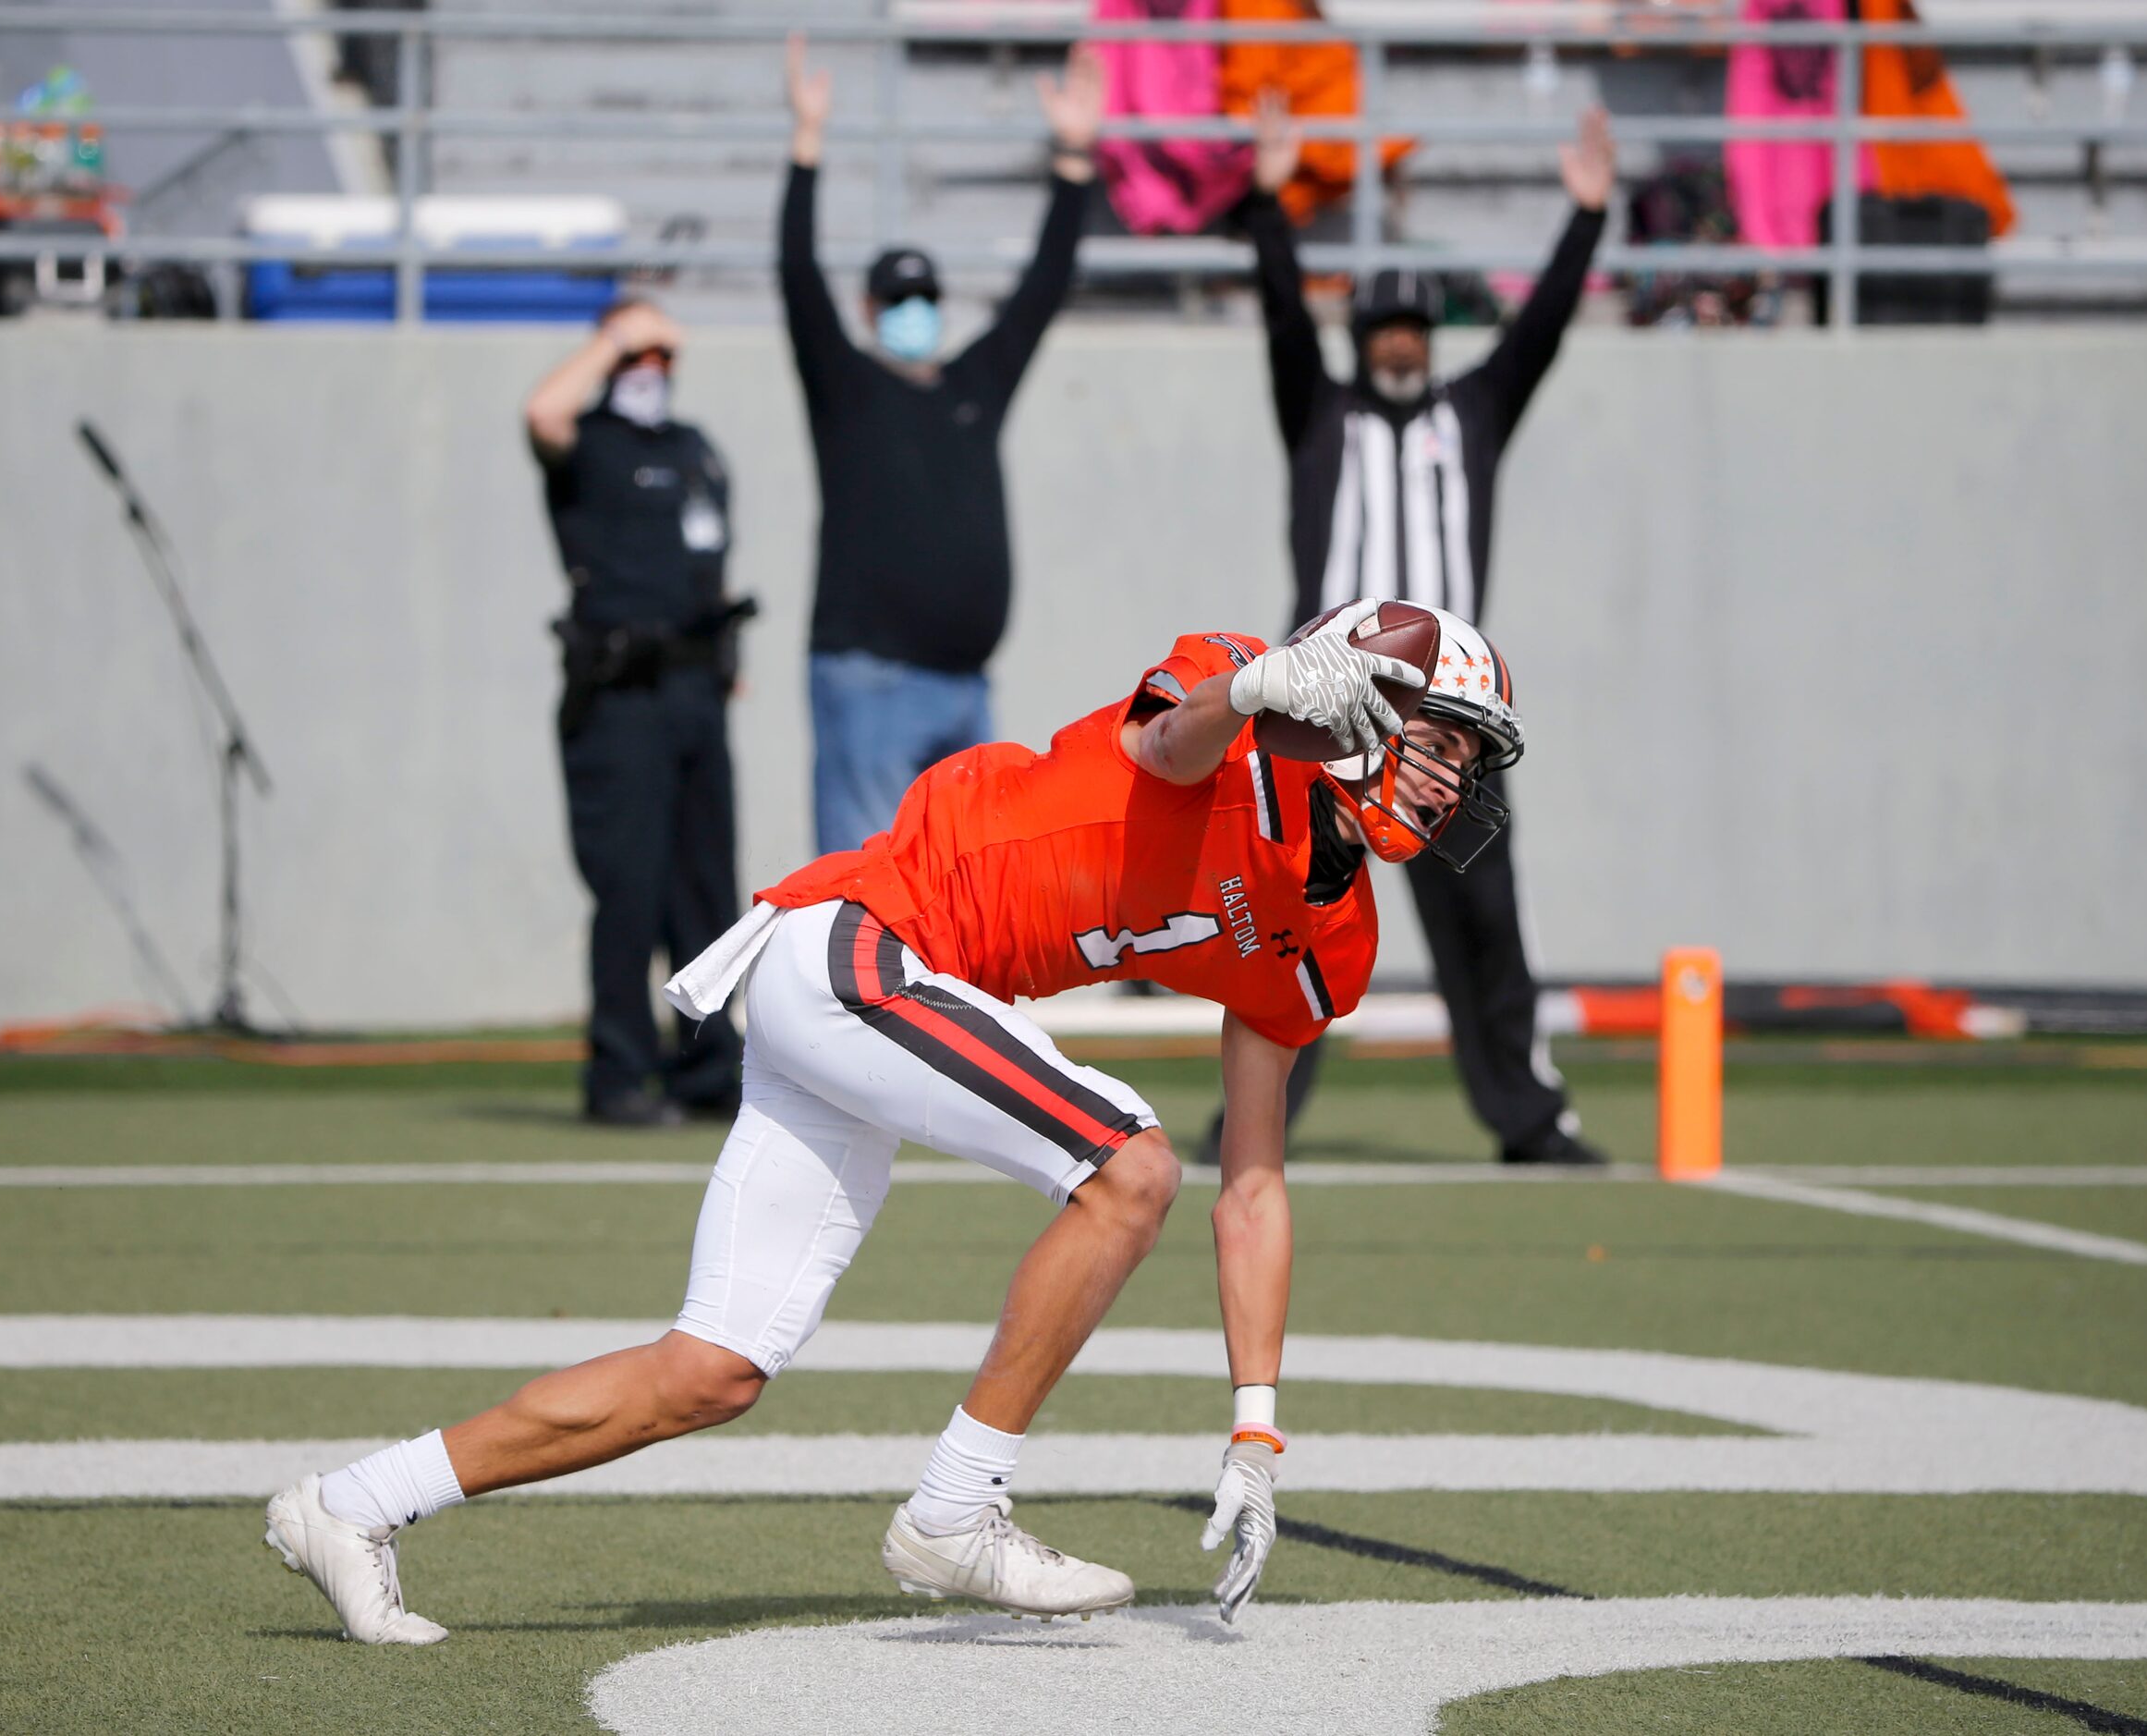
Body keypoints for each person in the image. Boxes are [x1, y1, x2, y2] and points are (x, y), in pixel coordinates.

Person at [262, 599, 1527, 1641]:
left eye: (1471, 755)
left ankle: (352, 1502)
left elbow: (1256, 1179)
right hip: (862, 941)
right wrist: (1257, 692)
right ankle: (955, 1508)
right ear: (1361, 701)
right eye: (1442, 736)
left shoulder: (1330, 938)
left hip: (881, 991)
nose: (1454, 773)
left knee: (710, 1369)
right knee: (1127, 1165)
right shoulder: (1227, 698)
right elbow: (1172, 748)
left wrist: (1256, 1425)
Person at [1213, 92, 1616, 1168]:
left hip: (1448, 728)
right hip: (1322, 718)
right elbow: (1280, 320)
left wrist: (1584, 220)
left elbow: (1535, 336)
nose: (1395, 342)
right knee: (1291, 914)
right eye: (1378, 328)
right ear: (1360, 339)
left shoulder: (1469, 416)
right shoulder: (1319, 419)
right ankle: (1246, 1122)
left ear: (1428, 337)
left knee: (1487, 922)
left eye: (1409, 327)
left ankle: (1529, 1118)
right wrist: (1265, 203)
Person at [780, 34, 1104, 854]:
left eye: (925, 294)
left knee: (965, 894)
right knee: (859, 893)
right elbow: (798, 278)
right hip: (870, 677)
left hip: (964, 686)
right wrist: (808, 146)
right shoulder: (848, 386)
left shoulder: (973, 385)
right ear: (870, 308)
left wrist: (1072, 159)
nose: (913, 308)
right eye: (898, 297)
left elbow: (1041, 289)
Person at [524, 299, 750, 1128]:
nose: (650, 367)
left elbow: (712, 565)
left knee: (706, 890)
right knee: (630, 887)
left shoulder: (694, 451)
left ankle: (704, 1070)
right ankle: (618, 1072)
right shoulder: (587, 446)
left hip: (695, 693)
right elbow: (542, 411)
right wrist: (620, 332)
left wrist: (730, 665)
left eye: (662, 354)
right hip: (620, 695)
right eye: (634, 356)